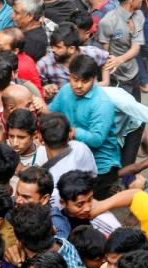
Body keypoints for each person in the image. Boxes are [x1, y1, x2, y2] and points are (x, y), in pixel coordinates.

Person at [49, 57, 120, 199]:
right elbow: (51, 113)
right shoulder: (65, 91)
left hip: (100, 165)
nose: (79, 86)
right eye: (75, 80)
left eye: (85, 81)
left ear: (94, 79)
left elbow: (97, 140)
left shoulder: (102, 103)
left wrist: (73, 132)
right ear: (69, 76)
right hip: (73, 156)